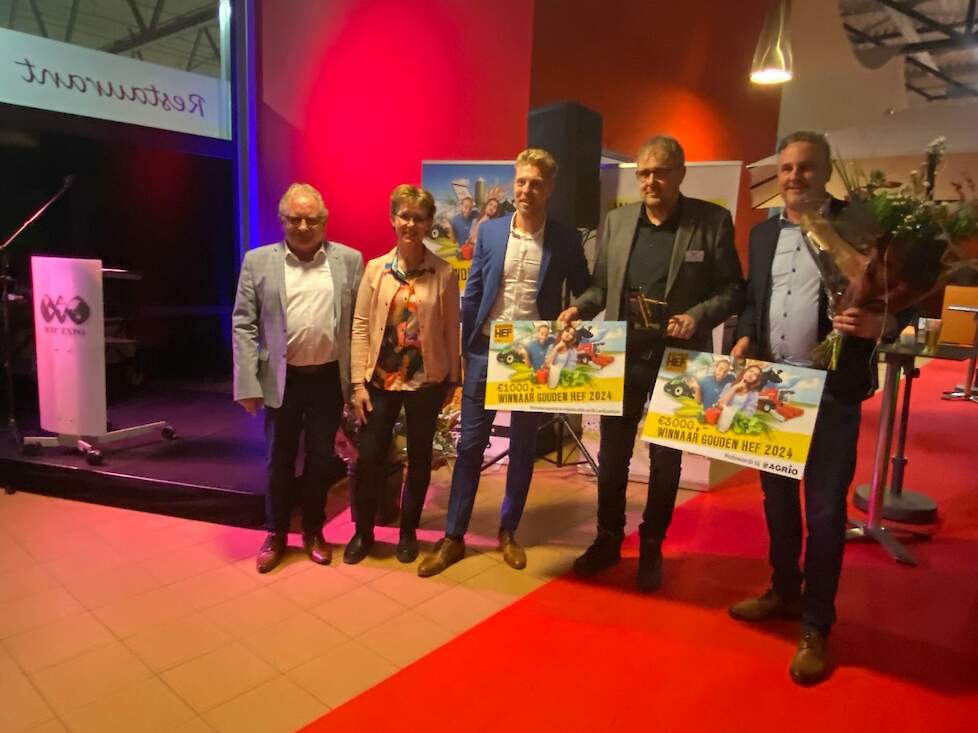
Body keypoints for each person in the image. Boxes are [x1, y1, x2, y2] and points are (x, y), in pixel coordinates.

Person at [728, 130, 900, 685]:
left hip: (831, 391)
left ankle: (816, 624)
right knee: (777, 502)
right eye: (785, 169)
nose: (794, 177)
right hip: (774, 388)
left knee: (825, 513)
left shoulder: (860, 227)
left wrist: (878, 324)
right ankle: (784, 590)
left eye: (805, 167)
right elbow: (756, 300)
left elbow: (895, 305)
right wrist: (745, 335)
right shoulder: (762, 234)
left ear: (826, 172)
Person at [560, 135, 744, 592]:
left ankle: (652, 544)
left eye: (660, 172)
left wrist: (697, 316)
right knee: (613, 455)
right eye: (643, 173)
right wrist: (578, 309)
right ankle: (608, 537)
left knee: (665, 460)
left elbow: (732, 290)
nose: (650, 181)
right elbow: (601, 288)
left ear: (680, 173)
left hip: (681, 361)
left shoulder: (711, 222)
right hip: (622, 357)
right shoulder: (618, 221)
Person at [418, 148, 590, 577]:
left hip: (533, 357)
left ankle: (508, 530)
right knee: (469, 446)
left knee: (524, 447)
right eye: (521, 181)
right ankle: (454, 536)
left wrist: (577, 311)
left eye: (536, 183)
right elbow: (474, 291)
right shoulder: (492, 232)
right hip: (485, 351)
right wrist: (463, 353)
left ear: (549, 189)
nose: (526, 190)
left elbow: (588, 288)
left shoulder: (566, 239)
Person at [233, 183, 364, 573]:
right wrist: (247, 384)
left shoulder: (349, 261)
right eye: (295, 219)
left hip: (328, 379)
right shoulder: (258, 262)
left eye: (312, 219)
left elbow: (358, 324)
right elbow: (244, 324)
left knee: (321, 460)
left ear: (325, 220)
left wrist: (357, 383)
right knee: (279, 459)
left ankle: (313, 531)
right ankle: (275, 532)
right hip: (281, 380)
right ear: (282, 220)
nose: (303, 226)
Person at [345, 185, 460, 565]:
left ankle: (408, 531)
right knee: (369, 458)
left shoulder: (443, 273)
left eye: (419, 217)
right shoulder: (376, 269)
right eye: (404, 216)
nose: (411, 223)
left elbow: (451, 329)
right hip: (380, 382)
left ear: (429, 223)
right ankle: (363, 532)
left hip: (427, 382)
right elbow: (361, 326)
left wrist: (454, 379)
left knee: (421, 458)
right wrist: (357, 384)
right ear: (393, 219)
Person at [714, 363, 762, 432]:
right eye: (751, 371)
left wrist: (733, 417)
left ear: (756, 379)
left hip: (736, 424)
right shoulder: (729, 386)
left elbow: (749, 414)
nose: (751, 375)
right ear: (745, 371)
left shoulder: (753, 394)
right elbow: (720, 405)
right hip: (721, 420)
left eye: (755, 375)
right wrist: (734, 388)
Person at [544, 323, 579, 388]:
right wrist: (556, 348)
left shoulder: (572, 351)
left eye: (571, 334)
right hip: (550, 379)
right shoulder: (551, 347)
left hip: (563, 381)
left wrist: (560, 376)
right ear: (562, 332)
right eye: (567, 331)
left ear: (572, 338)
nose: (568, 334)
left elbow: (571, 369)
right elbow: (546, 365)